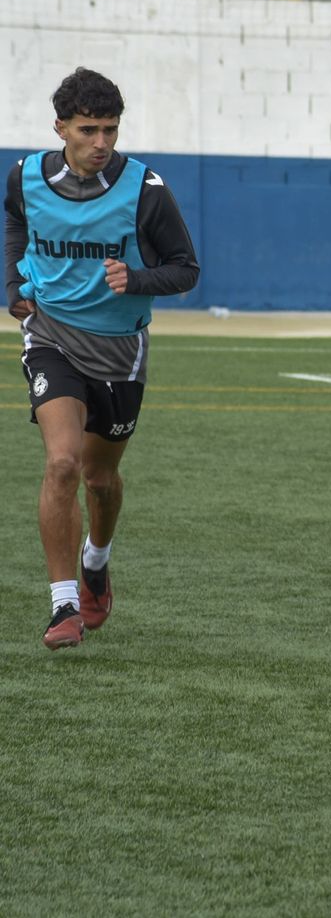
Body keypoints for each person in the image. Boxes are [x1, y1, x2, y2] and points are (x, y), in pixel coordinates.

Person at [5, 67, 200, 649]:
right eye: (88, 130)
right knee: (62, 463)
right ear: (59, 126)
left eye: (111, 130)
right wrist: (15, 283)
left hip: (118, 354)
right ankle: (63, 606)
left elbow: (186, 269)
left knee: (101, 477)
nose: (101, 143)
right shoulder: (24, 177)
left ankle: (97, 559)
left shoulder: (145, 189)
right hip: (51, 337)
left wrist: (135, 278)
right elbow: (17, 221)